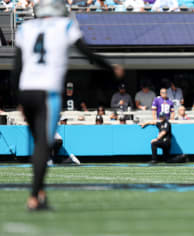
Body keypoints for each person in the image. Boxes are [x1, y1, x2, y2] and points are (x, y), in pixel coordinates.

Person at [14, 0, 124, 210]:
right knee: (42, 145)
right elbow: (87, 53)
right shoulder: (64, 26)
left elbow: (16, 68)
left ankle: (40, 193)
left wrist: (17, 97)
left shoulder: (24, 27)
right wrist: (110, 68)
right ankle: (34, 197)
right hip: (48, 91)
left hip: (27, 90)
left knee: (38, 142)